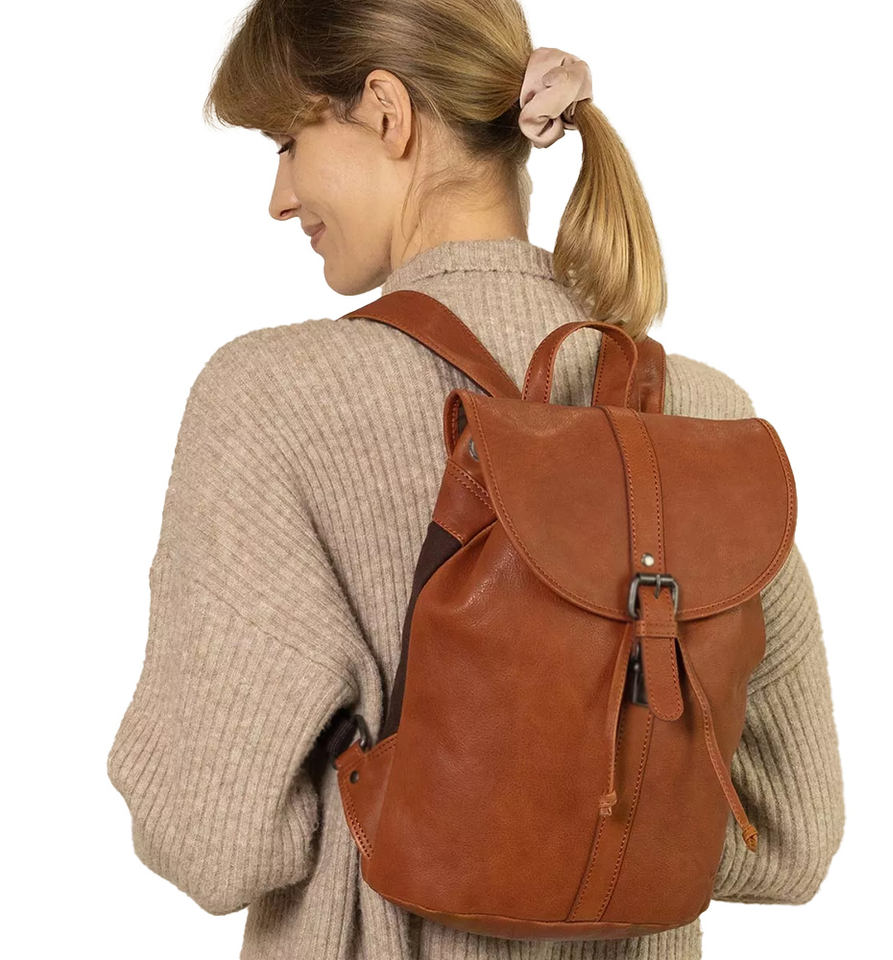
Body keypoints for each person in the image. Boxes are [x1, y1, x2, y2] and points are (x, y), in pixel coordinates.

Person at [105, 1, 845, 958]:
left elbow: (213, 839)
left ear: (387, 112)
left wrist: (420, 798)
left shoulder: (273, 401)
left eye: (288, 142)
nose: (280, 199)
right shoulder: (704, 418)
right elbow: (789, 834)